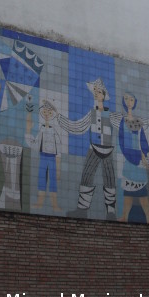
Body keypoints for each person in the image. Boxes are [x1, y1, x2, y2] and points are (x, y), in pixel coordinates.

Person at [57, 78, 117, 220]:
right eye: (95, 91)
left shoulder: (111, 115)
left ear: (103, 95)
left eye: (99, 91)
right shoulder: (92, 113)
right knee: (86, 177)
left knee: (110, 180)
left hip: (108, 150)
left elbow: (127, 122)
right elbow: (78, 127)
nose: (96, 93)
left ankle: (111, 213)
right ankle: (82, 210)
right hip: (93, 148)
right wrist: (59, 117)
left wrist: (147, 123)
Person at [117, 93, 149, 224]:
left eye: (131, 99)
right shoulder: (123, 121)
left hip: (140, 159)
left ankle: (148, 218)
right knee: (128, 191)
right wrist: (130, 156)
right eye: (126, 99)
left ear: (135, 102)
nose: (129, 101)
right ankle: (124, 216)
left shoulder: (139, 122)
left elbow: (143, 140)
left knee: (142, 191)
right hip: (129, 157)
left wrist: (146, 157)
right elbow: (122, 141)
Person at [26, 100, 62, 211]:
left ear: (53, 115)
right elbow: (35, 144)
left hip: (52, 158)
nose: (47, 114)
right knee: (41, 180)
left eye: (49, 112)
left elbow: (59, 149)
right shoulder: (41, 129)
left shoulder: (55, 131)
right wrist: (28, 130)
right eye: (45, 112)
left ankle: (55, 205)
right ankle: (39, 203)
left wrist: (58, 168)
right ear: (42, 113)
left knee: (53, 181)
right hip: (43, 157)